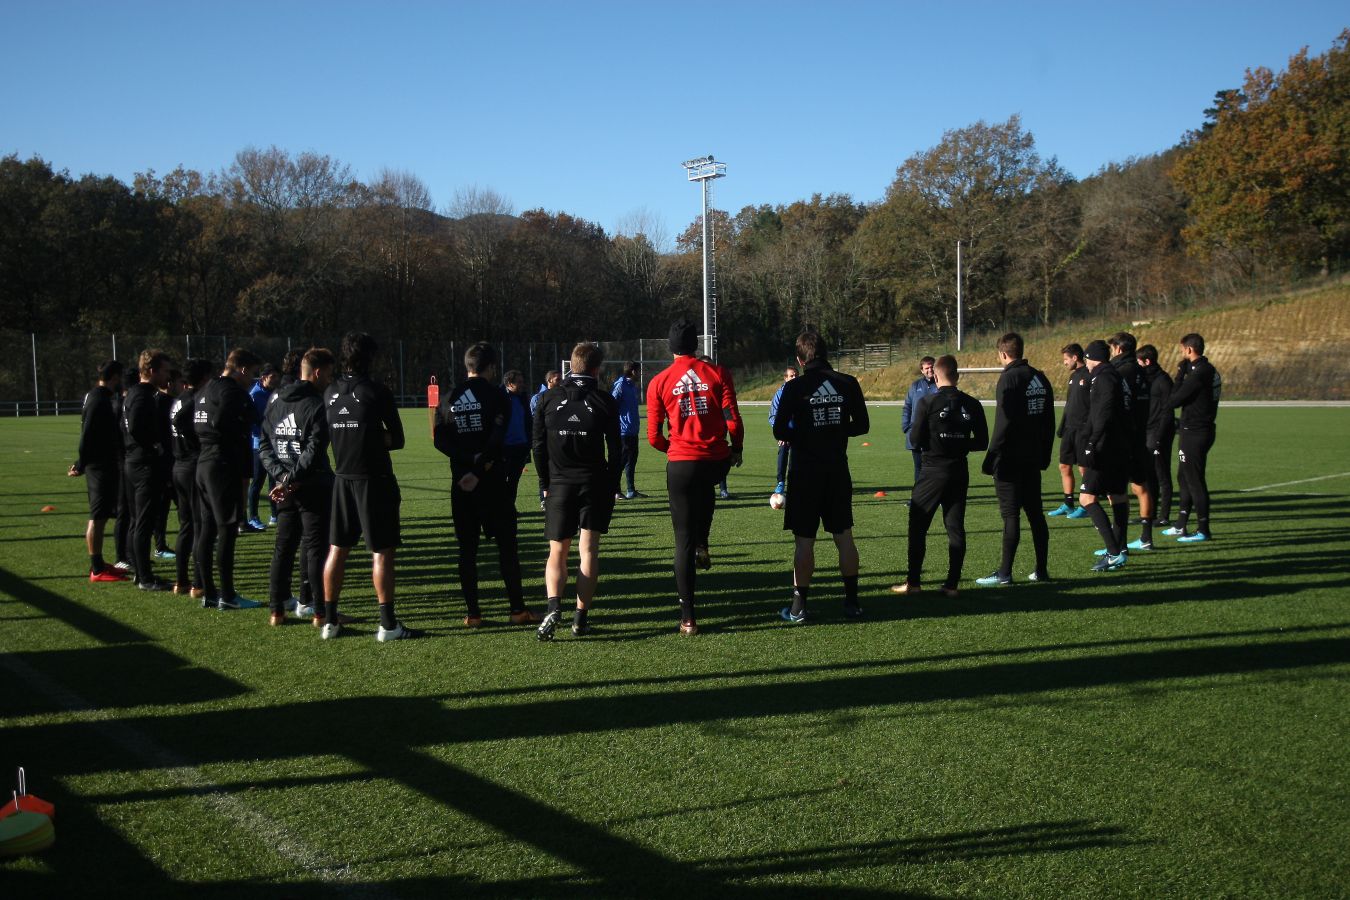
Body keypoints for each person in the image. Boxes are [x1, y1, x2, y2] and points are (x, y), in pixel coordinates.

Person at [647, 319, 744, 635]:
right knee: (707, 491)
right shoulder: (717, 372)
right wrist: (736, 448)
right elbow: (732, 417)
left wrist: (673, 449)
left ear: (670, 347)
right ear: (696, 345)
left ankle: (688, 618)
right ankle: (704, 541)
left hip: (681, 463)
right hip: (715, 459)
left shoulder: (659, 381)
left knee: (681, 540)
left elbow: (653, 436)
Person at [323, 332, 418, 640]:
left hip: (342, 479)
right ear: (370, 358)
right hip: (373, 479)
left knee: (337, 549)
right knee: (382, 552)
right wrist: (371, 439)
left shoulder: (329, 392)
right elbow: (398, 439)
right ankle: (388, 625)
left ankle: (329, 621)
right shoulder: (376, 391)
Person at [771, 330, 869, 623]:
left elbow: (779, 431)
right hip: (837, 469)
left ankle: (799, 607)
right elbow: (862, 425)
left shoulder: (794, 387)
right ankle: (852, 603)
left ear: (800, 360)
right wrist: (835, 431)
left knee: (804, 541)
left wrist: (804, 434)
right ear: (826, 354)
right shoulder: (847, 383)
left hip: (804, 473)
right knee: (844, 537)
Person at [434, 342, 534, 627]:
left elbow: (440, 439)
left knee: (467, 549)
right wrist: (479, 468)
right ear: (491, 368)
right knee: (507, 547)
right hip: (492, 481)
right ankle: (517, 610)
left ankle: (474, 614)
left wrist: (466, 462)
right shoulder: (496, 397)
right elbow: (497, 437)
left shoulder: (449, 397)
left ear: (468, 367)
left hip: (461, 483)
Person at [533, 343, 622, 640]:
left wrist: (545, 484)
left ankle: (553, 608)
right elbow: (617, 451)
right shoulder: (605, 401)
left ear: (570, 366)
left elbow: (538, 448)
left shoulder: (547, 399)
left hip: (558, 484)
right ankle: (579, 619)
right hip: (593, 483)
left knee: (557, 550)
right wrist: (612, 484)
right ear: (597, 369)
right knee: (588, 551)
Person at [890, 355, 988, 597]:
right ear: (957, 375)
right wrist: (960, 444)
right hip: (958, 471)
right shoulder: (973, 404)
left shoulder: (927, 402)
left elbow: (914, 439)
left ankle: (913, 583)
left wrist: (936, 444)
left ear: (935, 374)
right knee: (955, 528)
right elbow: (982, 442)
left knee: (918, 527)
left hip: (932, 471)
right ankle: (951, 585)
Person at [261, 348, 336, 627]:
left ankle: (276, 610)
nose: (330, 379)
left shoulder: (275, 398)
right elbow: (315, 450)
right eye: (328, 373)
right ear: (317, 372)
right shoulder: (317, 404)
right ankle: (319, 612)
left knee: (284, 547)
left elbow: (265, 444)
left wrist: (281, 478)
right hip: (312, 484)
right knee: (316, 548)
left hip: (284, 486)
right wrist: (292, 478)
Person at [977, 334, 1055, 586]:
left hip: (1010, 458)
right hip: (1033, 458)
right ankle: (1041, 569)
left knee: (1011, 515)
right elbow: (1049, 421)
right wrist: (1045, 454)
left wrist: (991, 456)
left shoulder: (1008, 378)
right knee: (1035, 514)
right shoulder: (1040, 377)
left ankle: (1005, 573)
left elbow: (1004, 421)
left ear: (1002, 354)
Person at [195, 348, 264, 609]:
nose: (254, 380)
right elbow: (233, 420)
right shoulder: (231, 391)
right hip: (222, 464)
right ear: (242, 369)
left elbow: (193, 421)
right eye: (253, 374)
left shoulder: (206, 388)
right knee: (227, 528)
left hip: (203, 462)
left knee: (207, 528)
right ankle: (228, 595)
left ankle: (209, 591)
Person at [68, 359, 128, 582]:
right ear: (114, 377)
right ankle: (96, 569)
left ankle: (101, 563)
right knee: (98, 516)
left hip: (105, 463)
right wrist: (81, 463)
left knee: (102, 516)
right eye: (119, 376)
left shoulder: (104, 397)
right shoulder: (97, 398)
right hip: (98, 466)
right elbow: (88, 433)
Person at [122, 349, 175, 591]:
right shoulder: (143, 396)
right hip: (143, 465)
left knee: (137, 521)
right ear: (152, 371)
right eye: (164, 371)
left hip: (133, 462)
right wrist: (154, 447)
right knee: (143, 521)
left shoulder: (135, 393)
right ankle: (145, 577)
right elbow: (134, 427)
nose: (167, 375)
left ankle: (139, 570)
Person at [1077, 340, 1131, 572]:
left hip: (1106, 448)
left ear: (1092, 358)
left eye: (1087, 359)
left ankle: (1113, 552)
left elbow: (1104, 412)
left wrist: (1092, 441)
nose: (1086, 364)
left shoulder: (1105, 377)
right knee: (1117, 495)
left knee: (1086, 498)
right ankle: (1120, 549)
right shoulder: (1115, 375)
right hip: (1120, 445)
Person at [1164, 333, 1221, 543]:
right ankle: (1181, 524)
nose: (1181, 353)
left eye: (1182, 349)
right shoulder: (1207, 370)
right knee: (1183, 476)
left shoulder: (1200, 373)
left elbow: (1174, 400)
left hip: (1195, 432)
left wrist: (1179, 375)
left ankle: (1203, 529)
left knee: (1194, 480)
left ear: (1189, 349)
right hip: (1196, 429)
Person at [169, 359, 213, 598]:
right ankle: (198, 583)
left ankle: (181, 581)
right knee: (199, 526)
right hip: (191, 465)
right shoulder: (193, 399)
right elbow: (180, 421)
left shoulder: (178, 399)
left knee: (186, 525)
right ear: (204, 378)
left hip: (179, 465)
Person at [1108, 332, 1154, 552]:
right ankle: (1146, 537)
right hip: (1140, 437)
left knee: (1117, 492)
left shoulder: (1120, 372)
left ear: (1118, 348)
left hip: (1123, 439)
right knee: (1141, 487)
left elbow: (1119, 407)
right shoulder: (1142, 372)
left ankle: (1120, 543)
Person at [1048, 343, 1090, 518]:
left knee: (1083, 469)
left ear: (1075, 357)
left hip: (1083, 430)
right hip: (1069, 430)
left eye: (1066, 359)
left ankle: (1087, 505)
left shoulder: (1089, 375)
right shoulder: (1073, 377)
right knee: (1064, 466)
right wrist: (1062, 426)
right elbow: (1069, 404)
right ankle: (1068, 503)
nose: (1064, 363)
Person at [1137, 344, 1176, 527]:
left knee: (1162, 475)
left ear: (1147, 361)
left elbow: (1168, 411)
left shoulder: (1163, 381)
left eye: (1140, 361)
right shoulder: (1145, 379)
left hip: (1159, 434)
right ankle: (1149, 513)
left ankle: (1164, 515)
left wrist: (1160, 436)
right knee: (1148, 475)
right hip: (1146, 432)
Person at [246, 364, 279, 531]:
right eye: (272, 377)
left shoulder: (273, 393)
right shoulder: (254, 395)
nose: (275, 380)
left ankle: (275, 515)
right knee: (257, 482)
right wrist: (264, 433)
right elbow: (252, 422)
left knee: (274, 481)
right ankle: (253, 517)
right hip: (258, 445)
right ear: (263, 377)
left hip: (273, 444)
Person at [152, 369, 180, 561]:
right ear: (170, 384)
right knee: (162, 507)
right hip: (165, 463)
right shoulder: (161, 403)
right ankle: (160, 546)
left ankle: (196, 539)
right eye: (179, 382)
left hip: (174, 461)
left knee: (184, 504)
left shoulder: (170, 402)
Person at [901, 357, 938, 489]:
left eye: (932, 367)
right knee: (918, 468)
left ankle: (937, 496)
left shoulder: (941, 385)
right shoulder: (915, 386)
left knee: (934, 468)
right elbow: (907, 407)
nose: (930, 370)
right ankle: (918, 498)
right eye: (927, 368)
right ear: (922, 370)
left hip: (934, 435)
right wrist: (906, 427)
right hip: (916, 433)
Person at [611, 361, 645, 499]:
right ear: (633, 371)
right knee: (621, 461)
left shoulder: (632, 386)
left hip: (633, 430)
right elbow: (612, 404)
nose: (640, 373)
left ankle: (631, 490)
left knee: (632, 460)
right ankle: (615, 490)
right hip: (623, 431)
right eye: (639, 370)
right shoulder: (620, 385)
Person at [500, 369, 532, 505]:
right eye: (519, 382)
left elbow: (528, 421)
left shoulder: (523, 397)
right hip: (504, 448)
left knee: (514, 481)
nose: (522, 384)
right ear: (509, 383)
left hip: (521, 447)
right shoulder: (499, 398)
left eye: (522, 381)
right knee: (500, 481)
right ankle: (501, 507)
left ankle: (509, 508)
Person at [531, 369, 562, 509]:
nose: (560, 382)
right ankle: (543, 499)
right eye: (557, 380)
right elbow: (535, 420)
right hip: (543, 440)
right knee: (543, 470)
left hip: (557, 440)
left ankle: (557, 498)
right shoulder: (538, 398)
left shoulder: (561, 396)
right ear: (549, 381)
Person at [768, 366, 798, 495]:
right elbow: (773, 416)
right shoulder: (780, 394)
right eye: (791, 376)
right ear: (786, 378)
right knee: (783, 450)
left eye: (796, 375)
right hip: (786, 432)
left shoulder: (803, 391)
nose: (794, 377)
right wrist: (782, 433)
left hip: (801, 432)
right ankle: (780, 482)